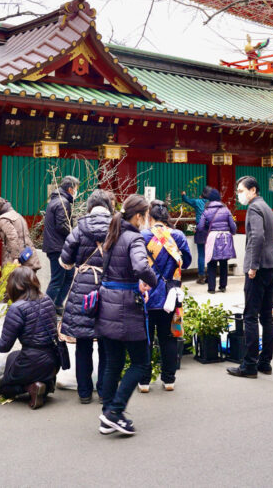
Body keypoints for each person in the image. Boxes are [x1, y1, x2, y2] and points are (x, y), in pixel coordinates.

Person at [96, 194, 158, 436]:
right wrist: (151, 282)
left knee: (113, 362)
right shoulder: (134, 238)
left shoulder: (113, 234)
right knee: (141, 363)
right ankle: (115, 412)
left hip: (107, 303)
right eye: (146, 216)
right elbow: (141, 267)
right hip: (126, 307)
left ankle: (107, 413)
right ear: (139, 216)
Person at [59, 189, 114, 404]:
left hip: (83, 289)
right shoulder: (117, 227)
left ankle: (84, 392)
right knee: (106, 342)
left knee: (83, 342)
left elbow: (65, 261)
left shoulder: (79, 229)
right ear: (109, 207)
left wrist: (79, 265)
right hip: (109, 288)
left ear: (90, 207)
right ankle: (104, 391)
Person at [227, 176, 273, 379]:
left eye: (241, 190)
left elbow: (256, 236)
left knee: (250, 315)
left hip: (259, 267)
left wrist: (253, 266)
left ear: (253, 190)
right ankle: (265, 362)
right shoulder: (266, 207)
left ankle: (249, 365)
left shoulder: (254, 208)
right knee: (266, 316)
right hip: (271, 265)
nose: (239, 194)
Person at [138, 200, 192, 392]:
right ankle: (169, 380)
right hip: (170, 293)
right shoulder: (177, 236)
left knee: (145, 339)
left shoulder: (142, 235)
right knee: (168, 338)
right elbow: (185, 262)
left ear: (149, 217)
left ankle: (144, 381)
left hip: (146, 293)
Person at [0, 266, 60, 409]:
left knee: (5, 389)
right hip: (53, 359)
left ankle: (31, 387)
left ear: (15, 286)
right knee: (14, 356)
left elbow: (4, 346)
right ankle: (46, 385)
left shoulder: (17, 308)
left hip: (32, 359)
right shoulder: (47, 299)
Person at [43, 176, 79, 312]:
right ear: (70, 189)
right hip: (58, 247)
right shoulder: (62, 203)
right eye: (75, 189)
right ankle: (46, 309)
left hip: (56, 246)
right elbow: (62, 226)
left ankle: (57, 305)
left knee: (68, 277)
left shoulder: (57, 200)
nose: (76, 191)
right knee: (57, 280)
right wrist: (74, 233)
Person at [197, 189, 237, 293]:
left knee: (211, 263)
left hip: (213, 238)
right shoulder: (226, 210)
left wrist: (208, 228)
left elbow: (200, 227)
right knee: (224, 263)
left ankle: (211, 288)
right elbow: (233, 226)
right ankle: (223, 286)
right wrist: (231, 232)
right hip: (225, 238)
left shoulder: (206, 211)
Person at [0, 197, 41, 271]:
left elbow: (12, 237)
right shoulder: (17, 215)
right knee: (28, 280)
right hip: (28, 254)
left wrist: (15, 258)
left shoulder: (3, 218)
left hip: (16, 258)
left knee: (10, 280)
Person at [181, 186, 212, 284]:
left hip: (200, 230)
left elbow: (187, 200)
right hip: (210, 231)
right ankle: (210, 276)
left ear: (202, 194)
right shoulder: (211, 204)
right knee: (210, 254)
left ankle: (201, 276)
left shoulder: (198, 202)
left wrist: (183, 194)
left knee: (201, 254)